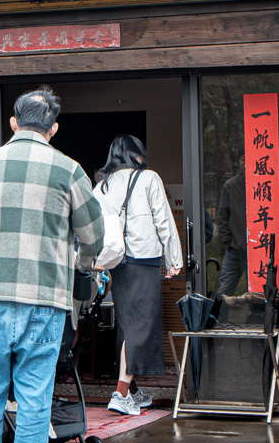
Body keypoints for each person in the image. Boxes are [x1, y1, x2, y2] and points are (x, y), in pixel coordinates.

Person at [0, 87, 105, 443]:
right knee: (34, 400)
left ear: (13, 123)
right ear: (53, 129)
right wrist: (82, 265)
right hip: (43, 299)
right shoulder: (69, 170)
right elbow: (93, 237)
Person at [93, 135, 182, 416]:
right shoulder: (148, 178)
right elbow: (164, 220)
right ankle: (120, 393)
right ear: (136, 155)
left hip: (116, 261)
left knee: (128, 324)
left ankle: (133, 391)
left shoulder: (101, 186)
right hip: (143, 259)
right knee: (141, 325)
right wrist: (174, 259)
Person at [215, 173, 248, 298]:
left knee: (259, 290)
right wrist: (228, 242)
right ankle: (221, 317)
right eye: (242, 158)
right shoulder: (231, 185)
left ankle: (257, 316)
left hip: (261, 249)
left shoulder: (267, 182)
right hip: (235, 247)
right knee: (225, 290)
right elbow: (222, 216)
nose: (245, 162)